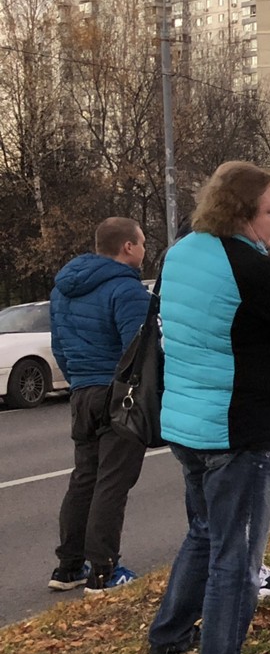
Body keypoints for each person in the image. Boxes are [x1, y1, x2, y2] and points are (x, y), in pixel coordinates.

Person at [147, 162, 270, 654]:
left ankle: (169, 635)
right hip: (236, 432)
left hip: (186, 424)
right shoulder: (249, 267)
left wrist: (269, 330)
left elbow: (209, 324)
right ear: (242, 214)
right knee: (237, 558)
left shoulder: (180, 253)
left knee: (203, 532)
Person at [47, 218, 151, 594]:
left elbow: (58, 345)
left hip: (81, 391)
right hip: (117, 393)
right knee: (113, 481)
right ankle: (104, 570)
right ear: (127, 246)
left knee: (84, 478)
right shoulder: (127, 290)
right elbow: (138, 351)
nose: (144, 250)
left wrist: (78, 379)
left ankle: (67, 567)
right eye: (142, 243)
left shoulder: (62, 290)